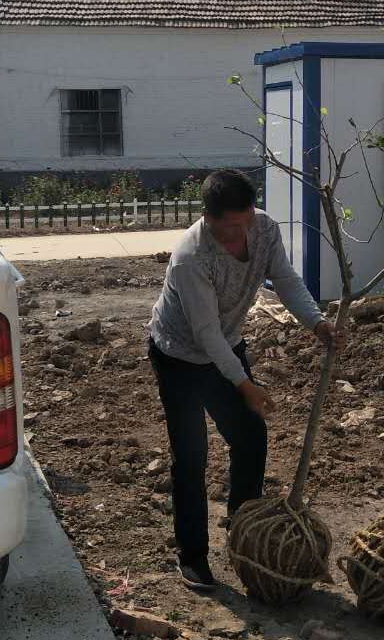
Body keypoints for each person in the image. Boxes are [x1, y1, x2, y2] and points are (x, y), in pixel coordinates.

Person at [148, 169, 347, 590]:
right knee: (191, 456)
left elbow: (286, 280)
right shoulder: (190, 258)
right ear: (208, 218)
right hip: (179, 356)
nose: (241, 234)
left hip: (227, 344)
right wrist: (245, 385)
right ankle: (192, 556)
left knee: (251, 437)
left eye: (247, 221)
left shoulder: (264, 230)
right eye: (231, 227)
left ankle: (243, 532)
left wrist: (316, 322)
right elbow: (206, 334)